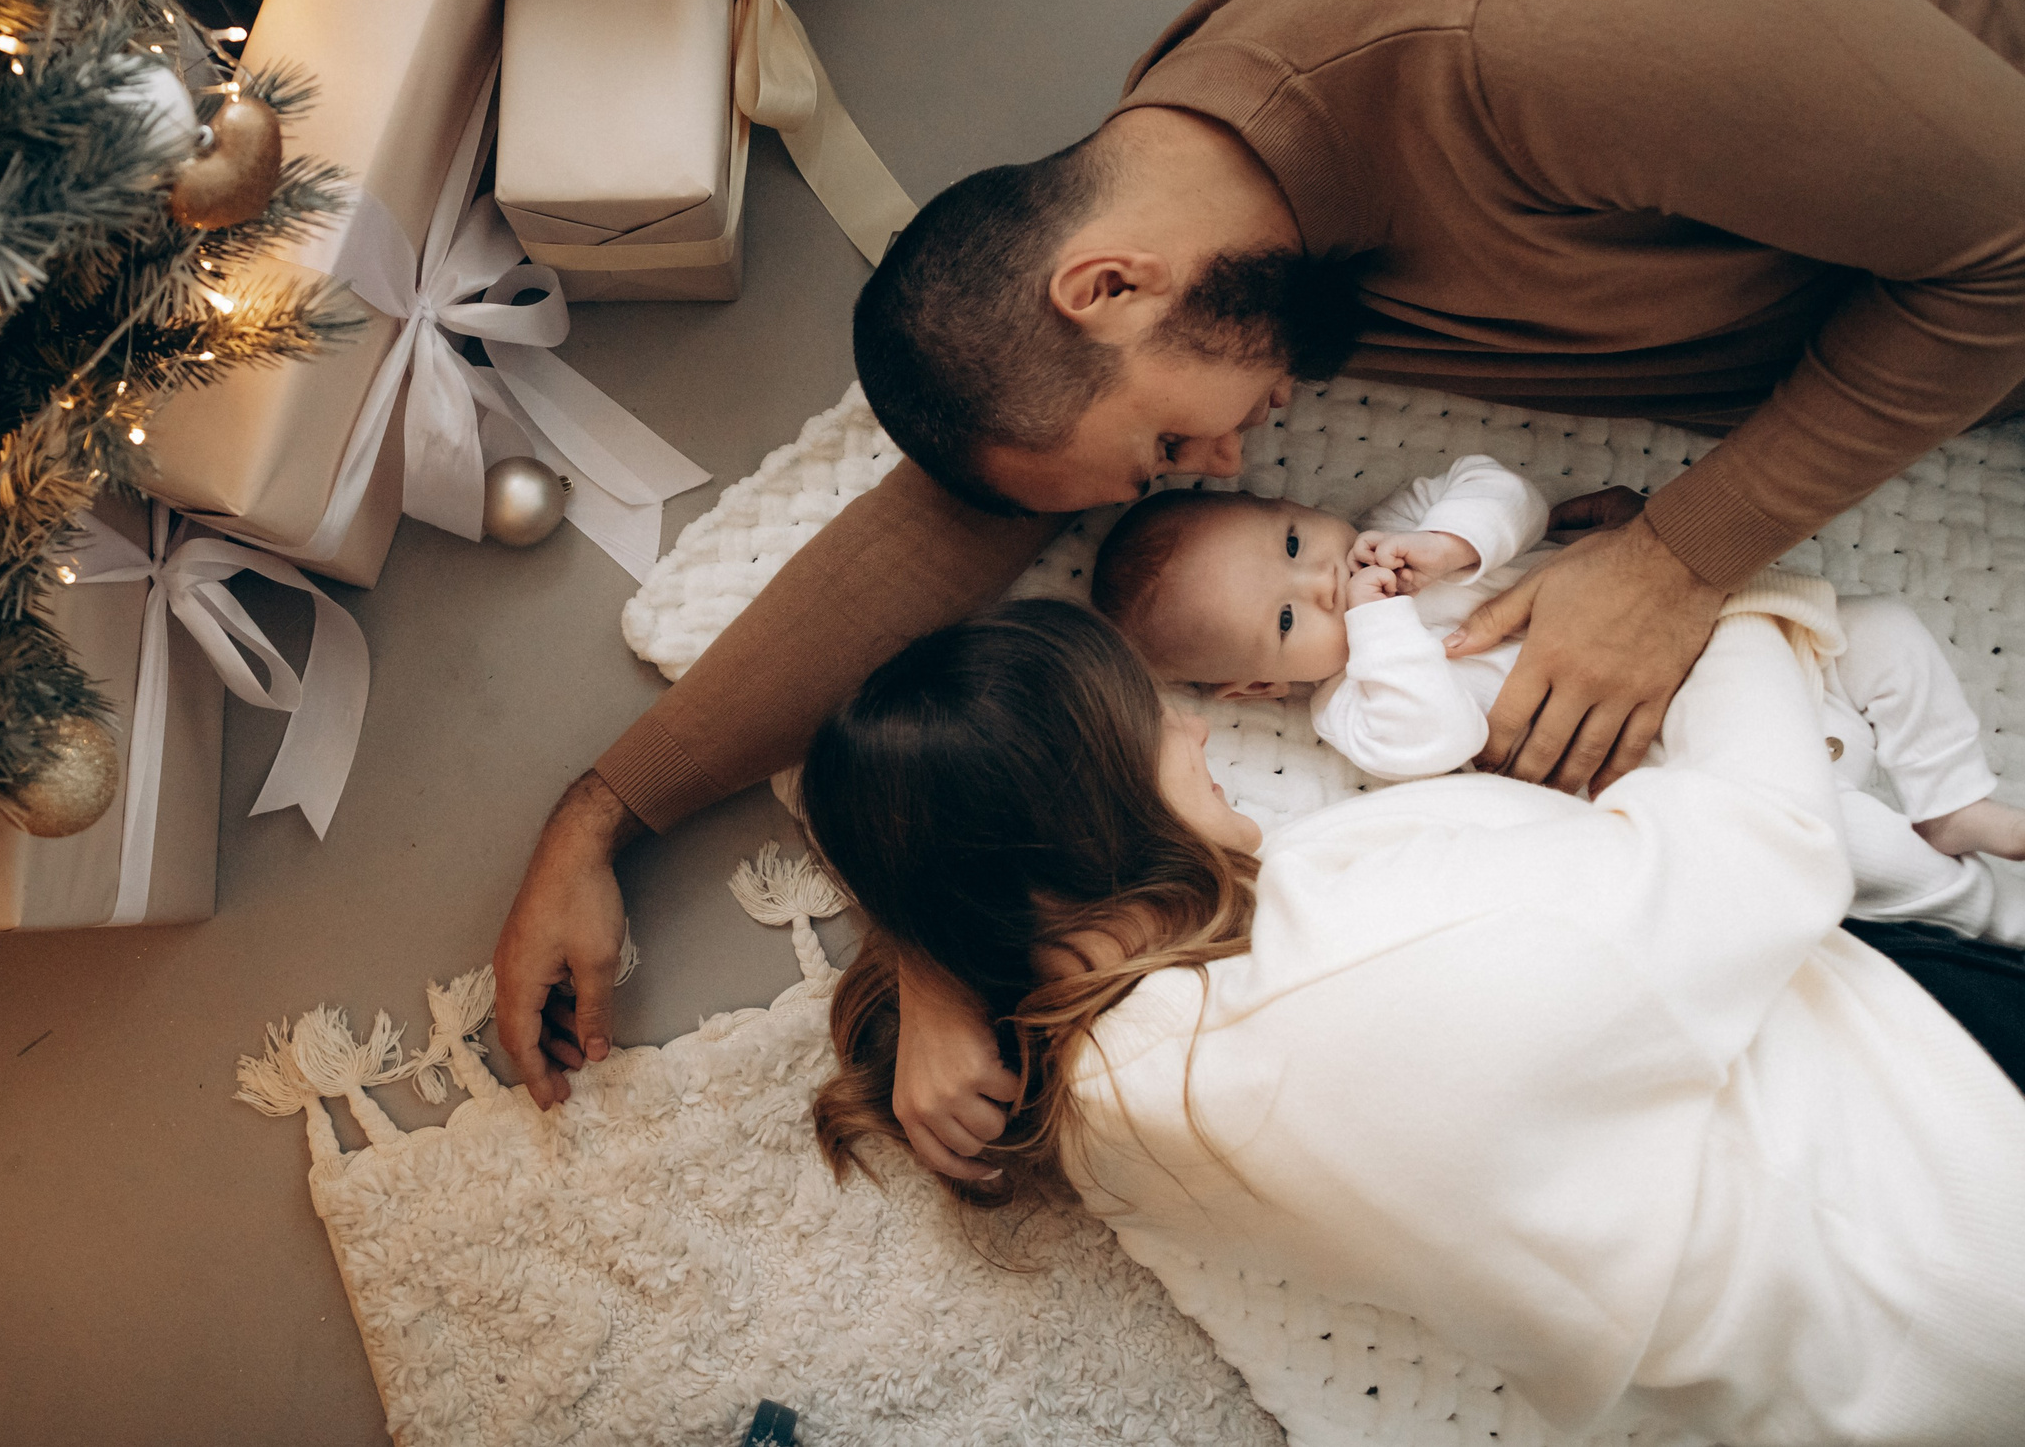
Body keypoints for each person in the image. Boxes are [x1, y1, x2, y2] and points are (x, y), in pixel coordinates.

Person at [496, 0, 2025, 1131]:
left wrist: (1678, 559)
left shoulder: (1540, 26)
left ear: (1107, 285)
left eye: (1170, 449)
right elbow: (943, 525)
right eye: (1176, 465)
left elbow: (2006, 244)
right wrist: (602, 816)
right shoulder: (1205, 213)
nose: (1222, 467)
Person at [801, 600, 2025, 1445]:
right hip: (1958, 1172)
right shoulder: (1370, 962)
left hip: (1853, 1400)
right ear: (1071, 821)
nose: (1197, 723)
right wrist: (1735, 604)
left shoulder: (1091, 1117)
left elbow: (876, 806)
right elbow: (1773, 841)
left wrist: (936, 960)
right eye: (1147, 718)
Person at [1089, 458, 2025, 940]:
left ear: (1293, 508)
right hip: (1710, 748)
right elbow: (1433, 738)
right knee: (1839, 842)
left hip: (1764, 644)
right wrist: (1379, 625)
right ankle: (1989, 913)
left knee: (1888, 628)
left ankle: (1951, 798)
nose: (1327, 583)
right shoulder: (1350, 703)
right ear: (1261, 687)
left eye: (1295, 546)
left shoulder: (1405, 526)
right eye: (1290, 620)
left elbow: (1504, 490)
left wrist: (1452, 546)